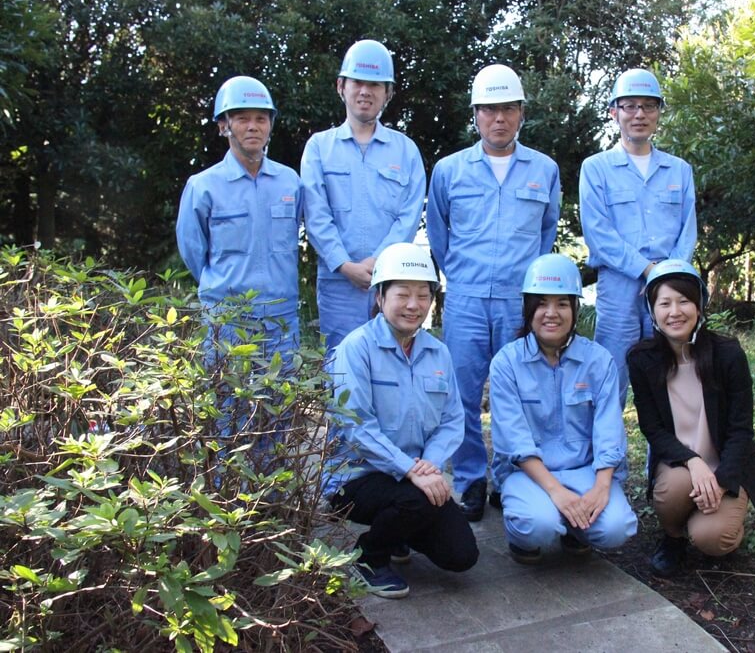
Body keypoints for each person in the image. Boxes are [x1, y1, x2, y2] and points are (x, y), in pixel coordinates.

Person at [426, 64, 561, 522]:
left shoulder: (544, 169)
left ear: (521, 113)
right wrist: (461, 276)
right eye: (488, 110)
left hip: (518, 301)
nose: (498, 118)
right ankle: (469, 481)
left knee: (518, 393)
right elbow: (439, 236)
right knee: (461, 394)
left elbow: (546, 233)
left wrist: (526, 287)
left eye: (507, 108)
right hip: (464, 298)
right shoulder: (449, 171)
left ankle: (509, 477)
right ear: (476, 115)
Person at [323, 243, 478, 599]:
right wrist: (413, 470)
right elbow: (356, 426)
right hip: (358, 478)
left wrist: (431, 464)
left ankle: (397, 532)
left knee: (461, 556)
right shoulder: (355, 348)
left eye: (423, 295)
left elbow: (453, 419)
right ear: (380, 297)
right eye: (403, 294)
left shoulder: (438, 352)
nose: (414, 305)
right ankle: (369, 556)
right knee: (418, 501)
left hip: (415, 476)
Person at [489, 254, 637, 563]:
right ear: (528, 308)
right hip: (528, 475)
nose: (551, 313)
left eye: (562, 303)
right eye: (541, 303)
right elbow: (513, 439)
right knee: (537, 527)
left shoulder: (599, 360)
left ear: (575, 308)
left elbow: (609, 429)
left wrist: (601, 485)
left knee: (617, 529)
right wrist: (556, 490)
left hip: (585, 470)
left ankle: (575, 528)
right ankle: (531, 535)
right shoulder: (507, 363)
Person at [627, 260, 755, 577]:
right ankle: (674, 537)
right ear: (653, 311)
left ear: (700, 306)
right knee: (673, 490)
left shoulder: (728, 354)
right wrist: (693, 461)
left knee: (713, 538)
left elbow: (741, 430)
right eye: (664, 303)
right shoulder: (642, 359)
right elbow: (652, 428)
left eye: (684, 301)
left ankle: (713, 518)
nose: (674, 311)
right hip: (680, 465)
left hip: (727, 466)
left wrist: (721, 482)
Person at [580, 68, 698, 407]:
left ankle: (666, 462)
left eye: (648, 106)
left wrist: (668, 277)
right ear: (613, 112)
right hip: (618, 288)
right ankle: (608, 461)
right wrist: (649, 272)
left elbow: (687, 230)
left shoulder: (679, 170)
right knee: (609, 381)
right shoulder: (596, 168)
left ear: (659, 112)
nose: (639, 114)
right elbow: (599, 234)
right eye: (629, 106)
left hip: (669, 290)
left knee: (669, 382)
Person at [301, 39, 426, 352]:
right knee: (340, 372)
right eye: (358, 82)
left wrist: (379, 264)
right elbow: (316, 215)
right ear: (341, 86)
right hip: (338, 284)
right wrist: (344, 264)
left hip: (390, 284)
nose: (365, 92)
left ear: (388, 93)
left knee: (391, 366)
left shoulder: (406, 150)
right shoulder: (319, 148)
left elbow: (408, 217)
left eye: (376, 85)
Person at [176, 74, 303, 373]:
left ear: (270, 125)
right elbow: (193, 251)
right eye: (242, 118)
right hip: (228, 321)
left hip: (281, 320)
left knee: (283, 407)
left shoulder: (290, 182)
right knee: (227, 410)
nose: (252, 126)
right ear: (224, 126)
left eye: (261, 118)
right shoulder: (203, 186)